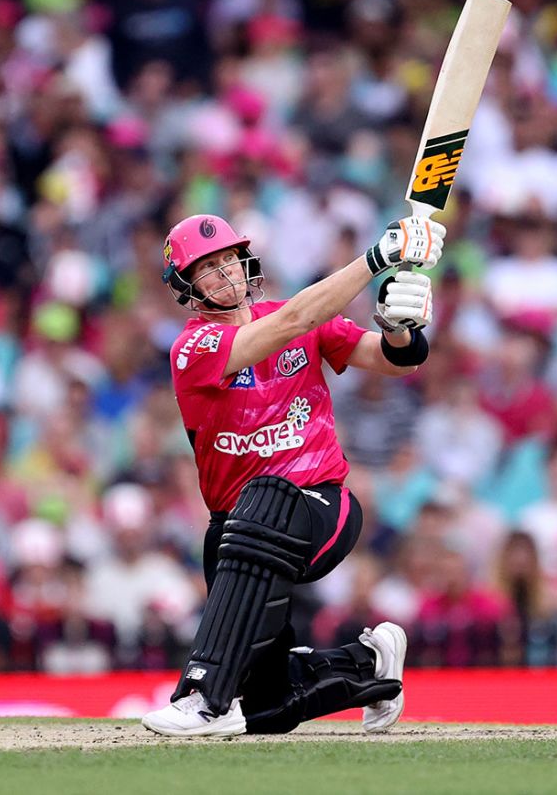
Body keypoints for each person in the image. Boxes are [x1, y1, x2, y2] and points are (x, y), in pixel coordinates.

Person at [141, 212, 443, 737]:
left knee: (267, 495)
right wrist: (375, 260)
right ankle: (370, 663)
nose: (226, 273)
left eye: (229, 259)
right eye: (207, 268)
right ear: (187, 288)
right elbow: (290, 323)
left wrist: (401, 330)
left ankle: (204, 697)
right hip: (237, 535)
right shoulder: (192, 348)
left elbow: (393, 361)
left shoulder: (301, 317)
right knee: (268, 704)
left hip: (322, 507)